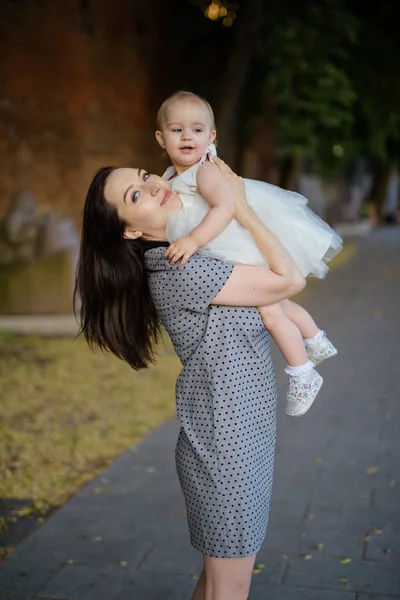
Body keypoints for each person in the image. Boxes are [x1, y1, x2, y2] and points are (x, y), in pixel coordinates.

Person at [74, 159, 305, 600]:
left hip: (237, 436)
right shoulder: (183, 269)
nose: (150, 185)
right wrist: (240, 207)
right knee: (230, 588)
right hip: (226, 445)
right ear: (129, 231)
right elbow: (288, 279)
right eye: (134, 196)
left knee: (219, 585)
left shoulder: (198, 251)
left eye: (143, 176)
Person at [155, 90, 342, 417]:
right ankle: (315, 337)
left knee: (269, 311)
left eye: (197, 130)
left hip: (235, 245)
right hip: (225, 249)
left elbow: (226, 207)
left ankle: (303, 373)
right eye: (176, 129)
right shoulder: (170, 176)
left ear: (211, 137)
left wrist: (194, 240)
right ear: (161, 138)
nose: (187, 136)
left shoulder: (205, 170)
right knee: (277, 303)